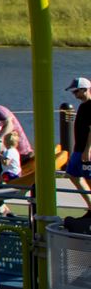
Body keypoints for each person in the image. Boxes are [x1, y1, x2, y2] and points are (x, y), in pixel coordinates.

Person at [63, 78, 91, 226]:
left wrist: (88, 149)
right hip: (78, 149)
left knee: (88, 178)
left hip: (85, 150)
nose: (74, 94)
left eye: (76, 91)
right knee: (72, 174)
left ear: (85, 89)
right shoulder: (82, 106)